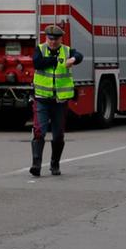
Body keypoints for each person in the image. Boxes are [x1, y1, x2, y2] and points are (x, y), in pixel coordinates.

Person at [31, 24, 83, 177]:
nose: (52, 42)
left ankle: (55, 164)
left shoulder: (67, 51)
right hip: (42, 98)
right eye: (50, 38)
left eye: (56, 39)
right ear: (46, 38)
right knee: (39, 131)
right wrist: (53, 60)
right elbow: (37, 63)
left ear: (61, 39)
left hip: (60, 101)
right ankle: (36, 164)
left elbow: (79, 56)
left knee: (58, 134)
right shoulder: (40, 49)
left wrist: (72, 59)